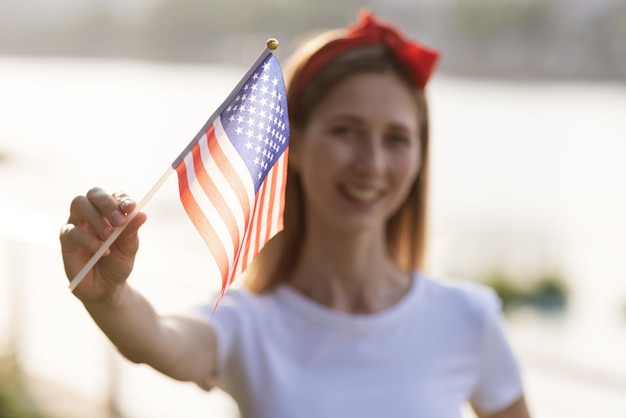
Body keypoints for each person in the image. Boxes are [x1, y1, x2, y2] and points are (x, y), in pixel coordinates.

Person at [59, 10, 531, 418]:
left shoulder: (469, 319)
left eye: (397, 139)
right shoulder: (249, 324)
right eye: (346, 131)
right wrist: (110, 298)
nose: (372, 163)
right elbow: (163, 339)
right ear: (295, 144)